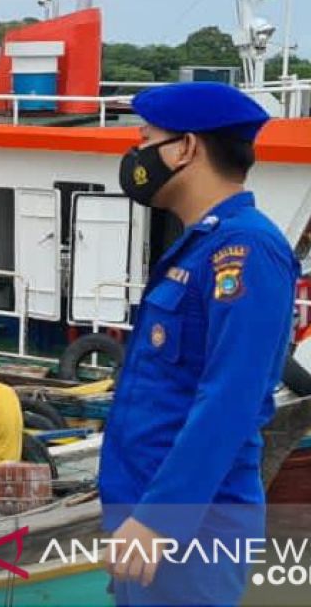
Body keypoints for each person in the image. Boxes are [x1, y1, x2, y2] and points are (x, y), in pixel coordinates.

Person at [99, 82, 299, 606]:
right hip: (148, 520)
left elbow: (230, 400)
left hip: (191, 527)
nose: (136, 155)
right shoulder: (200, 246)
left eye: (146, 139)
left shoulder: (246, 250)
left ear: (185, 148)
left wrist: (159, 520)